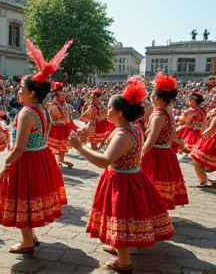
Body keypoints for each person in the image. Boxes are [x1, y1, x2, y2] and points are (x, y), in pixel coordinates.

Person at [70, 82, 174, 272]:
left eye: (110, 108)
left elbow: (104, 160)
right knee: (122, 217)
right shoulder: (132, 128)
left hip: (122, 182)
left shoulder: (123, 134)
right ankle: (120, 245)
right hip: (131, 178)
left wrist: (80, 147)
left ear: (120, 113)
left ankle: (124, 262)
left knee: (120, 218)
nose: (106, 111)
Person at [0, 38, 72, 253]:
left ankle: (27, 242)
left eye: (21, 88)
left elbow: (19, 147)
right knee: (30, 198)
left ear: (32, 92)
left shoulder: (27, 112)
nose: (18, 91)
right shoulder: (43, 109)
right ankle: (32, 236)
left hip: (27, 159)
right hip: (41, 157)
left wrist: (5, 165)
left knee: (23, 198)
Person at [141, 71, 189, 210]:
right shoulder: (167, 114)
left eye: (153, 95)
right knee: (158, 185)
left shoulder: (158, 116)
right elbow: (173, 135)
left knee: (151, 183)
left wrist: (140, 153)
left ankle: (153, 212)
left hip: (155, 154)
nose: (151, 97)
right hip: (165, 154)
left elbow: (151, 139)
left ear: (161, 99)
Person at [47, 82, 76, 167]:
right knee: (55, 146)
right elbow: (56, 117)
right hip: (56, 128)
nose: (64, 94)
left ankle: (62, 160)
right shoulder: (53, 105)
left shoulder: (62, 104)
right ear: (57, 94)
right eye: (62, 92)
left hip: (63, 128)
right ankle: (55, 162)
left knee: (62, 147)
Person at [190, 108, 216, 187]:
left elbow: (208, 131)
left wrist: (202, 138)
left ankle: (203, 181)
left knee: (197, 160)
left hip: (212, 142)